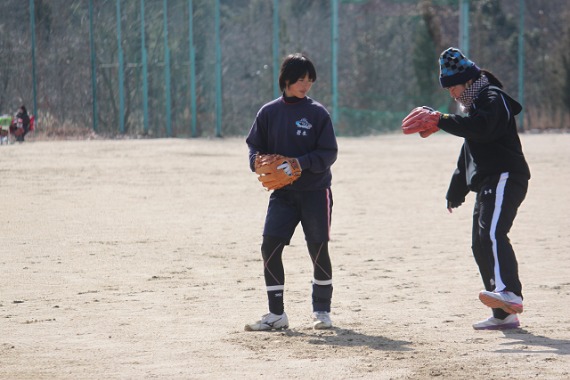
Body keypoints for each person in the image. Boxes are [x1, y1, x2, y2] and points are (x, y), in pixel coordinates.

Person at [401, 47, 531, 330]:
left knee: (494, 232)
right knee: (479, 243)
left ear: (469, 80)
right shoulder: (473, 107)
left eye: (453, 86)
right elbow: (469, 150)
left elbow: (482, 129)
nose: (451, 94)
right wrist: (455, 190)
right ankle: (504, 313)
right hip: (488, 181)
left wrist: (442, 120)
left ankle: (510, 292)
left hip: (507, 176)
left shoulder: (492, 98)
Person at [245, 53, 338, 331]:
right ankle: (276, 315)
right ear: (286, 80)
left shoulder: (317, 113)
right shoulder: (269, 112)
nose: (306, 85)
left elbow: (329, 153)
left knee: (318, 249)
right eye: (300, 79)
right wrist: (256, 162)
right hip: (283, 194)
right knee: (269, 247)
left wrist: (300, 163)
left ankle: (321, 311)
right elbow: (254, 146)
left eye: (309, 80)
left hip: (315, 191)